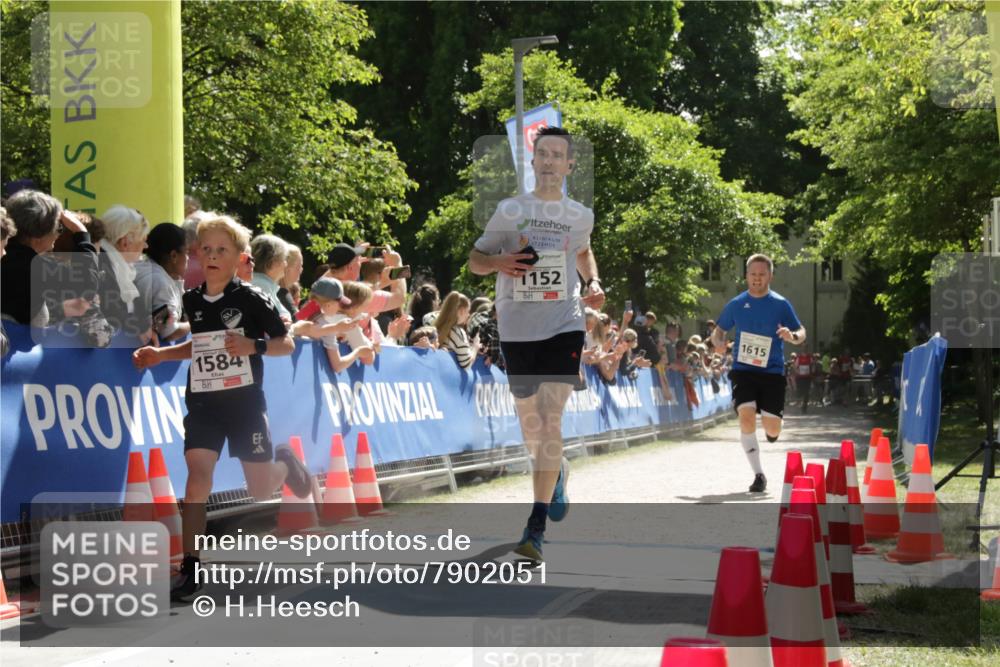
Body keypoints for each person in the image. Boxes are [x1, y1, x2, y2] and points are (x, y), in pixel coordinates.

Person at [132, 214, 312, 601]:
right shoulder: (192, 300)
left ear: (239, 258)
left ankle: (285, 462)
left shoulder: (252, 298)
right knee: (197, 480)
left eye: (222, 250)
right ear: (197, 255)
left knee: (261, 489)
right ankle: (191, 568)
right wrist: (160, 355)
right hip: (203, 404)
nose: (212, 256)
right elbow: (198, 346)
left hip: (245, 404)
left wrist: (253, 346)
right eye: (206, 250)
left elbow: (286, 344)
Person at [468, 126, 604, 562]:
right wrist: (498, 262)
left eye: (557, 155)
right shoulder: (511, 211)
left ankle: (535, 526)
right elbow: (475, 261)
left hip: (564, 322)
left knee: (550, 420)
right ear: (534, 162)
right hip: (516, 328)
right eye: (542, 154)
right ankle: (557, 471)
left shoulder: (580, 214)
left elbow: (582, 252)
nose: (548, 161)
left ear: (569, 165)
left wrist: (593, 280)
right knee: (533, 428)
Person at [711, 254, 806, 493]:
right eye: (753, 274)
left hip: (772, 372)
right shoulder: (736, 304)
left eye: (761, 275)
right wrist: (719, 343)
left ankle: (772, 429)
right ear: (746, 275)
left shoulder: (780, 304)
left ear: (770, 276)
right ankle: (759, 475)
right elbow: (719, 331)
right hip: (743, 371)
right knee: (746, 416)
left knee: (772, 429)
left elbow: (801, 331)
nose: (756, 279)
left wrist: (791, 336)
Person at [134, 223, 190, 341]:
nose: (188, 258)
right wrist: (196, 323)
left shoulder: (141, 268)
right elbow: (169, 332)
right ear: (174, 256)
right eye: (187, 252)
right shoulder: (160, 283)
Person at [307, 277, 373, 373]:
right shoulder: (344, 323)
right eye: (340, 303)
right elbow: (367, 359)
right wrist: (360, 351)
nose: (342, 306)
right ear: (329, 304)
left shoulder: (313, 317)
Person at [250, 234, 291, 320]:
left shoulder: (264, 285)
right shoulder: (261, 286)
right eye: (284, 259)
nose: (286, 264)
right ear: (273, 261)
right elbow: (271, 328)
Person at [434, 291, 479, 369]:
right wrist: (475, 347)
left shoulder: (436, 327)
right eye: (468, 311)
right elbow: (466, 364)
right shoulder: (458, 332)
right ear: (461, 311)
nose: (468, 315)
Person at [277, 244, 303, 316]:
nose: (301, 270)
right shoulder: (281, 294)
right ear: (287, 267)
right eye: (300, 265)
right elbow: (297, 321)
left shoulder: (279, 292)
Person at [794, 347, 815, 414]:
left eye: (806, 350)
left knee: (806, 392)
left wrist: (812, 371)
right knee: (800, 391)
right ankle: (800, 403)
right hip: (800, 377)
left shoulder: (810, 358)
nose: (805, 351)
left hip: (807, 377)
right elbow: (795, 366)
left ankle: (804, 407)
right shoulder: (799, 358)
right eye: (803, 350)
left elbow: (812, 366)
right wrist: (798, 372)